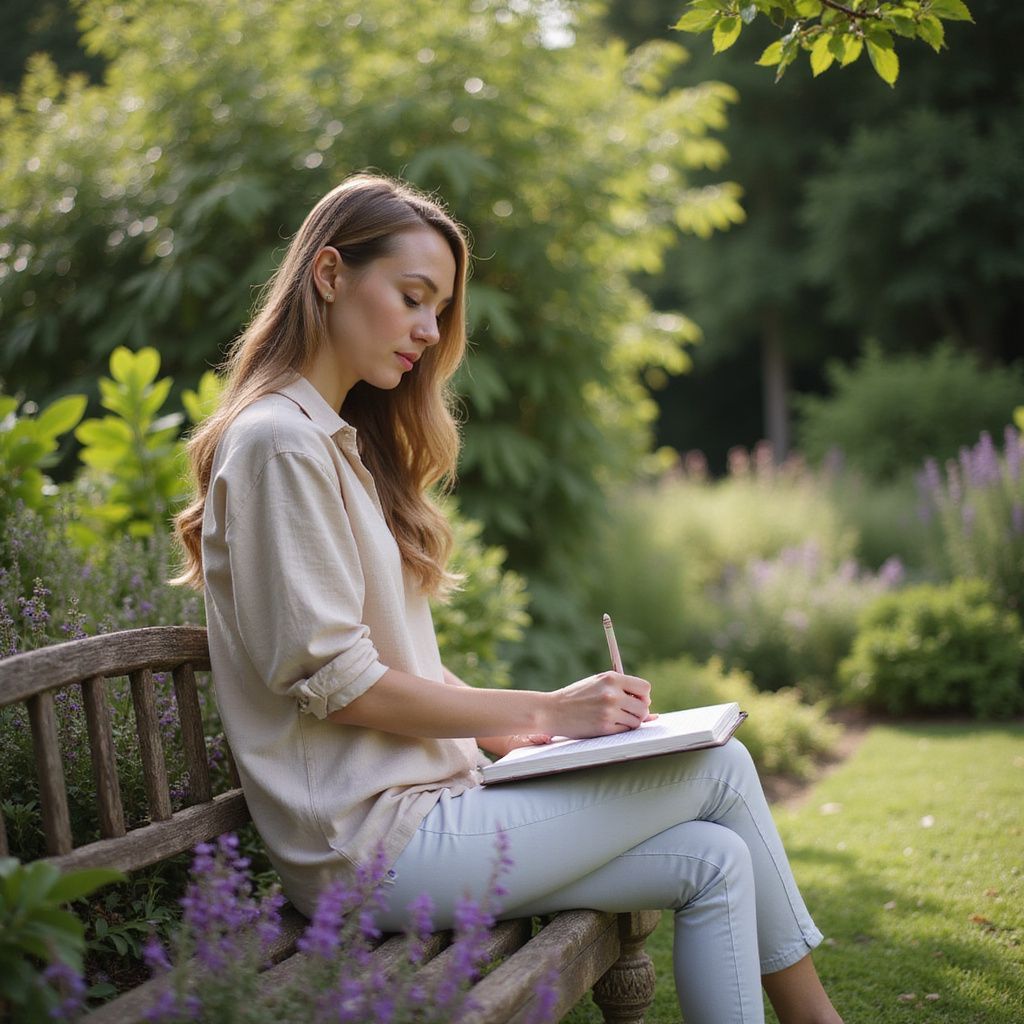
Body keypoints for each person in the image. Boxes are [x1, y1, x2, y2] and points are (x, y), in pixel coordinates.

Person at [171, 172, 843, 1024]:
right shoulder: (278, 445)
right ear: (330, 274)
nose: (428, 331)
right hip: (373, 852)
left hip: (433, 813)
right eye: (414, 298)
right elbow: (339, 685)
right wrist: (554, 713)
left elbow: (401, 665)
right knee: (721, 765)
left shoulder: (332, 442)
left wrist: (517, 734)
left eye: (440, 311)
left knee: (713, 859)